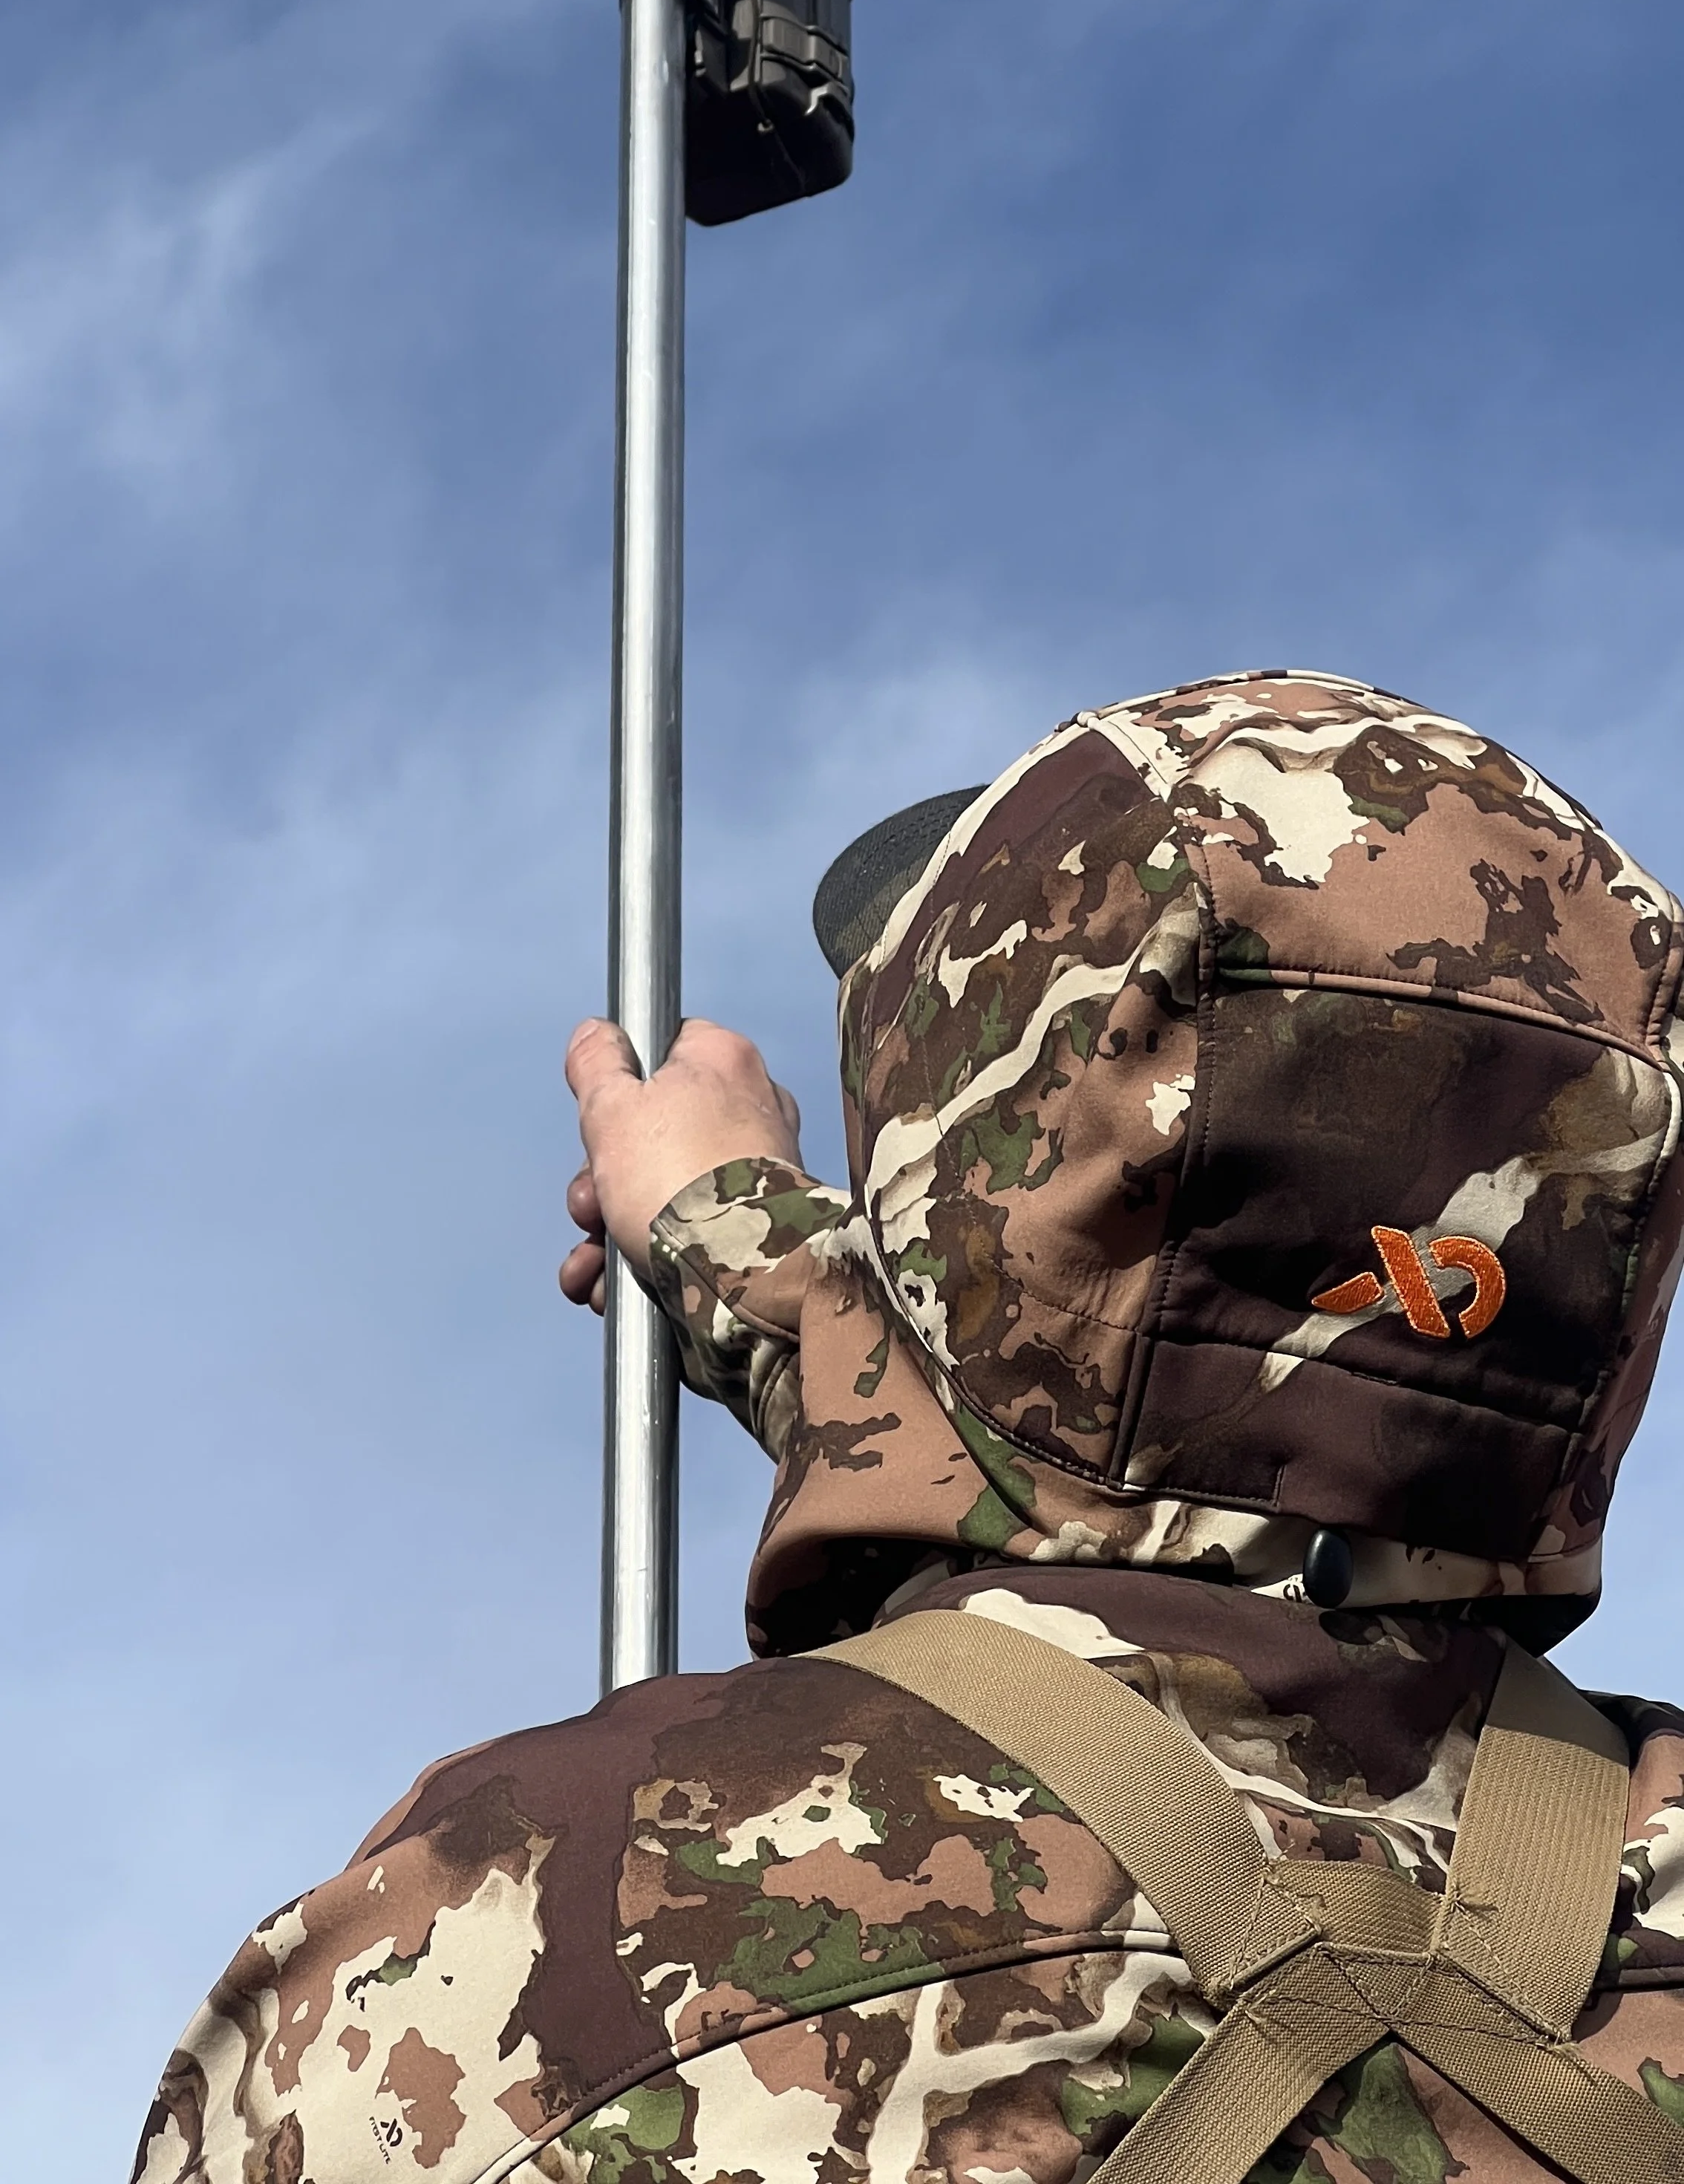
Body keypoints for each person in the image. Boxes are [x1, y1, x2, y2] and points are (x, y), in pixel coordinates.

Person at [131, 670, 1684, 2184]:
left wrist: (769, 1256)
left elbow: (1106, 1475)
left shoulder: (535, 1926)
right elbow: (1217, 1481)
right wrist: (760, 1258)